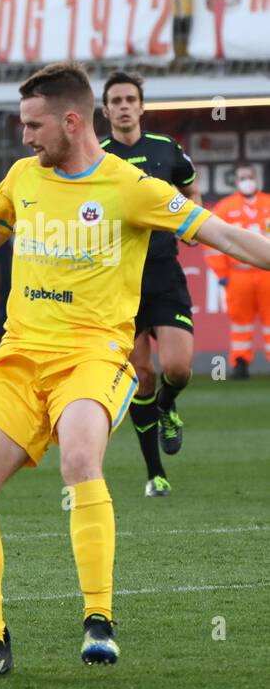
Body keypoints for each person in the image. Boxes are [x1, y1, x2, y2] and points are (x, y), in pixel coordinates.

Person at [0, 61, 270, 680]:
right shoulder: (23, 178)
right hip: (18, 358)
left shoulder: (131, 187)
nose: (24, 136)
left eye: (33, 125)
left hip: (93, 357)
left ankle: (99, 620)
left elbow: (225, 235)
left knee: (79, 459)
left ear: (72, 121)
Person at [99, 70, 204, 496]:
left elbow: (191, 191)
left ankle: (167, 406)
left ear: (142, 107)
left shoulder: (166, 149)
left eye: (130, 99)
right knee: (141, 375)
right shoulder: (97, 157)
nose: (124, 106)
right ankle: (154, 474)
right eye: (116, 101)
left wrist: (190, 223)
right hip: (117, 281)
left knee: (177, 368)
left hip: (163, 271)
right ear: (104, 111)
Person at [204, 163, 270, 380]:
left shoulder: (268, 203)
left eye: (250, 176)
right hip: (239, 273)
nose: (247, 180)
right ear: (236, 181)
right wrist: (221, 273)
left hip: (267, 273)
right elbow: (212, 242)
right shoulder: (225, 207)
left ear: (257, 178)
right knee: (240, 322)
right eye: (243, 177)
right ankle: (240, 362)